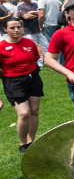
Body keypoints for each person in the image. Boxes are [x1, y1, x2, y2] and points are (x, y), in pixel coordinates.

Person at [0, 18, 44, 153]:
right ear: (5, 30)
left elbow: (36, 59)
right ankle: (23, 143)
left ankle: (31, 141)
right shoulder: (1, 47)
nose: (16, 30)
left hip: (33, 79)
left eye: (18, 27)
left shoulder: (29, 43)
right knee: (24, 113)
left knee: (34, 111)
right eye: (12, 28)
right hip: (13, 82)